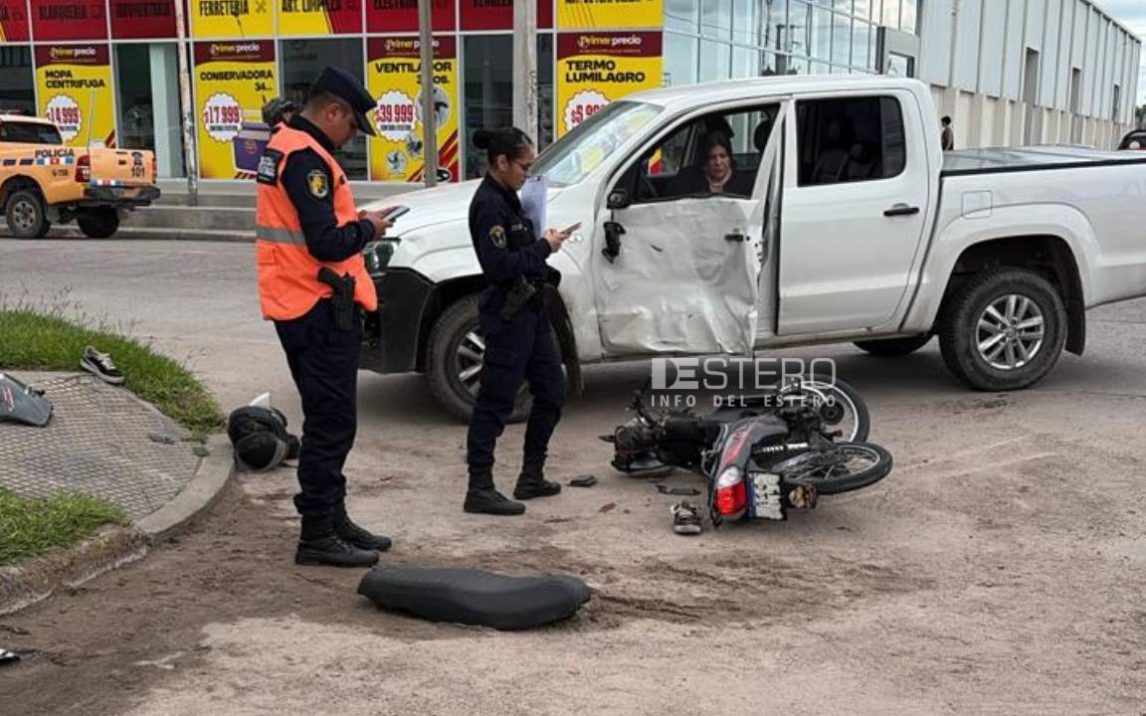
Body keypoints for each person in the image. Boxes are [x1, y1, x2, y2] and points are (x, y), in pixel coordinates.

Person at [254, 66, 397, 567]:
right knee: (331, 425)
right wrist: (368, 228)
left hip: (304, 303)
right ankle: (317, 534)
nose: (353, 135)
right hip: (314, 306)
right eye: (353, 125)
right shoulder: (305, 158)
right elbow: (325, 242)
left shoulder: (289, 147)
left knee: (330, 420)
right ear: (333, 111)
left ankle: (332, 518)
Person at [464, 127, 568, 516]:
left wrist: (542, 242)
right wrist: (544, 248)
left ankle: (531, 475)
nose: (529, 172)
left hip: (532, 309)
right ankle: (479, 486)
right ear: (501, 162)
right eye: (524, 165)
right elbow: (499, 265)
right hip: (508, 313)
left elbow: (518, 248)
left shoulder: (509, 198)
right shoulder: (489, 204)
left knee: (553, 392)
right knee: (495, 402)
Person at [667, 132, 754, 198]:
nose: (718, 162)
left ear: (729, 158)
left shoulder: (745, 184)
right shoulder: (687, 180)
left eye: (723, 156)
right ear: (705, 161)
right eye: (712, 157)